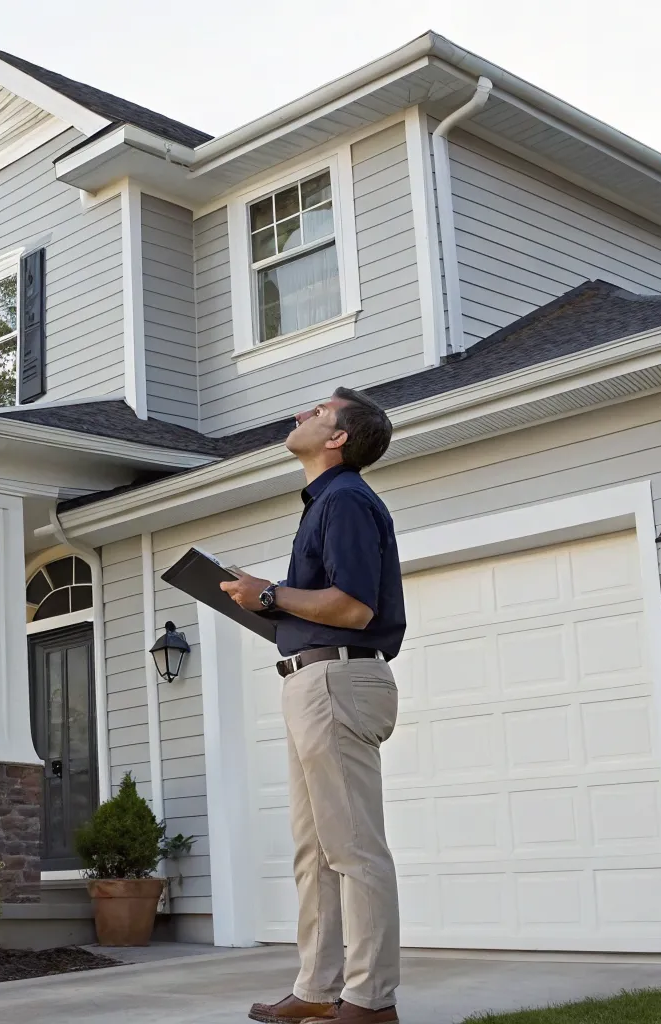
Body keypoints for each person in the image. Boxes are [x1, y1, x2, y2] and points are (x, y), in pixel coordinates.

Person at [221, 388, 405, 1024]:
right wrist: (262, 600)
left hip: (337, 682)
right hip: (314, 679)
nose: (301, 413)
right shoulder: (326, 503)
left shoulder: (346, 498)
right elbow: (322, 606)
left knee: (353, 848)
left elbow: (352, 607)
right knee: (316, 851)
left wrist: (270, 594)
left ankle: (371, 1000)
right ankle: (319, 989)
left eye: (318, 412)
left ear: (337, 438)